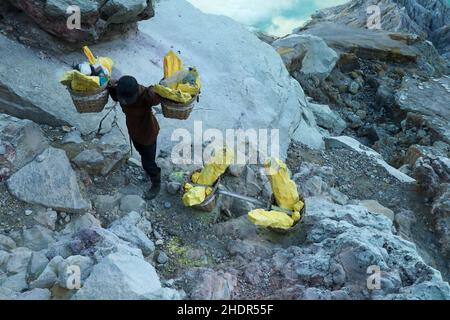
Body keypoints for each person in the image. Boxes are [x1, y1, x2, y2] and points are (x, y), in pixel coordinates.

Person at [108, 76, 163, 200]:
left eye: (128, 100)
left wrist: (154, 90)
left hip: (148, 135)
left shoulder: (145, 96)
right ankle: (148, 171)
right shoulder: (122, 92)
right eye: (124, 100)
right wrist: (109, 84)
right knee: (140, 152)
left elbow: (157, 97)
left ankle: (156, 183)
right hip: (134, 131)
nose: (125, 103)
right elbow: (114, 94)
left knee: (148, 163)